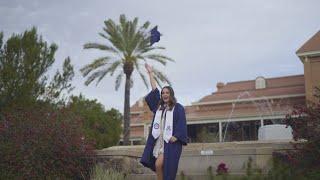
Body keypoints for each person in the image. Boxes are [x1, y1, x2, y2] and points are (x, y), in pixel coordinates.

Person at [140, 63, 188, 180]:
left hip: (170, 143)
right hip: (159, 141)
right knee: (159, 166)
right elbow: (154, 89)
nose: (165, 94)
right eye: (163, 93)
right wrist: (150, 73)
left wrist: (176, 136)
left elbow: (182, 123)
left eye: (167, 93)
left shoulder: (178, 108)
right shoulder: (159, 108)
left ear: (171, 94)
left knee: (160, 165)